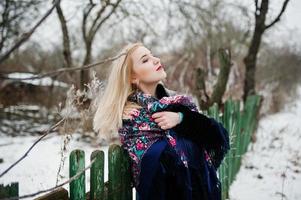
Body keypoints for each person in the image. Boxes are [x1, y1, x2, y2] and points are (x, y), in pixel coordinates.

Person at [93, 42, 230, 200]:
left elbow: (219, 137)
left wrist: (181, 119)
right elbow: (153, 176)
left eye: (152, 55)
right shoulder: (133, 122)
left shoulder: (178, 105)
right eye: (145, 60)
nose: (156, 60)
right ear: (133, 77)